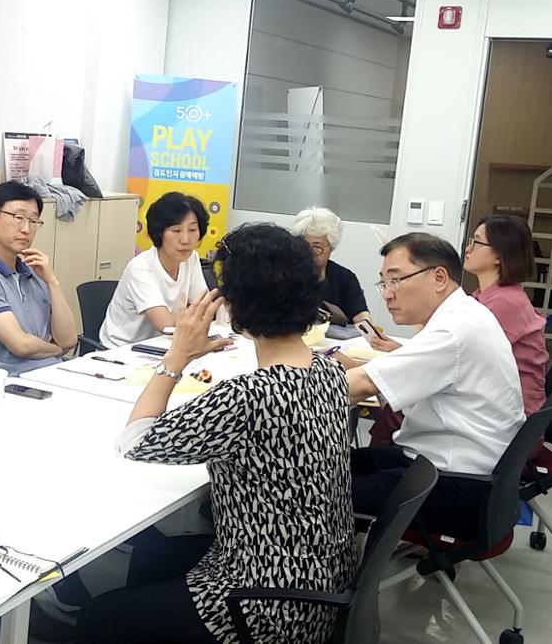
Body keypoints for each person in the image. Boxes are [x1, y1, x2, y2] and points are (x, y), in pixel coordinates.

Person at [76, 224, 358, 644]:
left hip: (262, 606)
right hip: (322, 584)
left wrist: (177, 356)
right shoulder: (330, 370)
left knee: (98, 619)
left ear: (236, 305)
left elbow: (134, 442)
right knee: (152, 553)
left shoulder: (247, 395)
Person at [345, 233, 524, 538]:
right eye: (383, 283)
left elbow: (360, 385)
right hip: (455, 468)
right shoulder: (464, 314)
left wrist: (277, 391)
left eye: (395, 280)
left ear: (439, 277)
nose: (387, 295)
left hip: (454, 485)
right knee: (333, 462)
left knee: (311, 489)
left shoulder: (453, 331)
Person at [0, 181, 78, 376]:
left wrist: (52, 282)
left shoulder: (35, 273)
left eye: (33, 221)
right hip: (11, 383)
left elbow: (69, 340)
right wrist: (57, 350)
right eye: (19, 218)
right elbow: (21, 345)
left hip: (51, 373)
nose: (26, 229)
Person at [99, 192, 210, 348]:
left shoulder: (191, 258)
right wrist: (193, 312)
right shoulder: (141, 267)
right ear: (159, 233)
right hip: (123, 349)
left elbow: (205, 306)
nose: (185, 240)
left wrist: (195, 311)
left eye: (192, 230)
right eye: (176, 231)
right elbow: (166, 325)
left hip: (164, 344)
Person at [463, 215, 547, 415]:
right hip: (492, 397)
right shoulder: (486, 295)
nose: (468, 249)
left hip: (510, 413)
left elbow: (461, 357)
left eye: (477, 243)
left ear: (499, 255)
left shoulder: (506, 303)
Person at [288, 206, 371, 326]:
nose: (309, 252)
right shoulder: (285, 273)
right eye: (304, 245)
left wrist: (371, 333)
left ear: (331, 247)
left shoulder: (344, 278)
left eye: (317, 246)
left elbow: (360, 315)